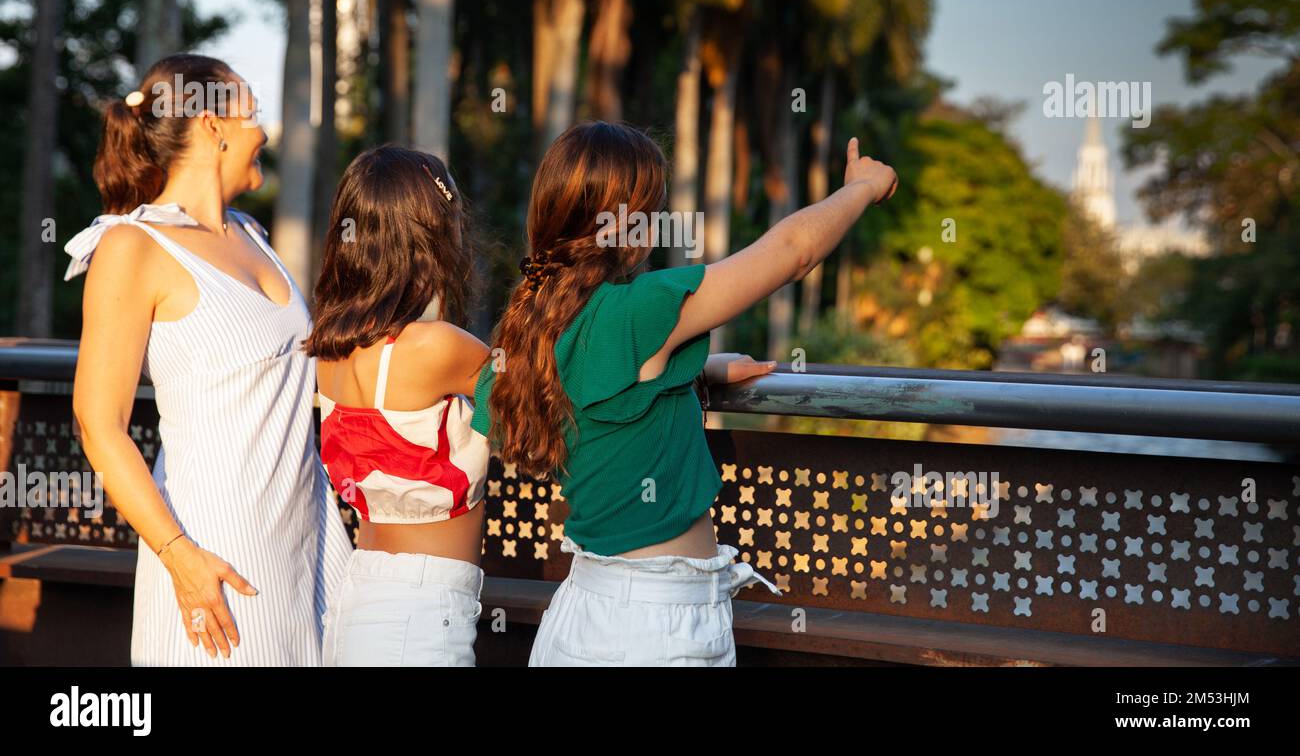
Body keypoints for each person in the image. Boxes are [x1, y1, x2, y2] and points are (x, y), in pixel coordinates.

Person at [473, 121, 898, 666]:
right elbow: (791, 253)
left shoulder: (526, 331)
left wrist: (691, 373)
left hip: (585, 613)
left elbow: (605, 404)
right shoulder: (637, 312)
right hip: (653, 632)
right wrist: (861, 187)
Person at [66, 53, 352, 665]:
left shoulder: (251, 235)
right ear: (213, 127)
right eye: (253, 114)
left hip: (305, 544)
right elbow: (99, 425)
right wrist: (181, 558)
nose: (264, 132)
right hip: (213, 557)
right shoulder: (130, 246)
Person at [309, 147, 490, 666]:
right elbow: (545, 398)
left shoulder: (331, 349)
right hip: (421, 613)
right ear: (431, 235)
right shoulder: (437, 347)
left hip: (360, 595)